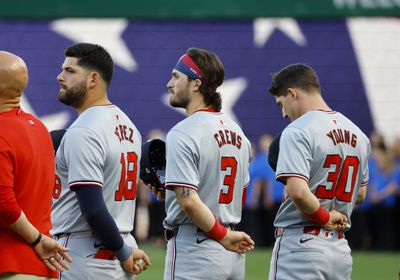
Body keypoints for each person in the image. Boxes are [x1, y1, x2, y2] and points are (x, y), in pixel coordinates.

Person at [152, 47, 254, 280]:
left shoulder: (183, 132)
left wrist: (220, 234)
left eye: (176, 76)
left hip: (198, 249)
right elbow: (240, 193)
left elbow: (188, 202)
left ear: (196, 84)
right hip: (232, 250)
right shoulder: (238, 133)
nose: (170, 84)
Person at [51, 43, 150, 280]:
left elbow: (94, 209)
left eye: (70, 71)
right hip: (118, 244)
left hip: (85, 254)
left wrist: (123, 252)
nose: (60, 76)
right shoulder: (129, 127)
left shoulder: (85, 130)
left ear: (93, 79)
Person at [267, 63, 370, 280]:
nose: (284, 113)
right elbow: (360, 194)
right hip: (340, 248)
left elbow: (298, 192)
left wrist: (323, 216)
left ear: (292, 93)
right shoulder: (359, 134)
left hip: (301, 245)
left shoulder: (297, 130)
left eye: (281, 104)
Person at [0, 51, 71, 279]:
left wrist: (37, 239)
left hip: (9, 263)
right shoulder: (39, 128)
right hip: (39, 264)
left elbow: (4, 203)